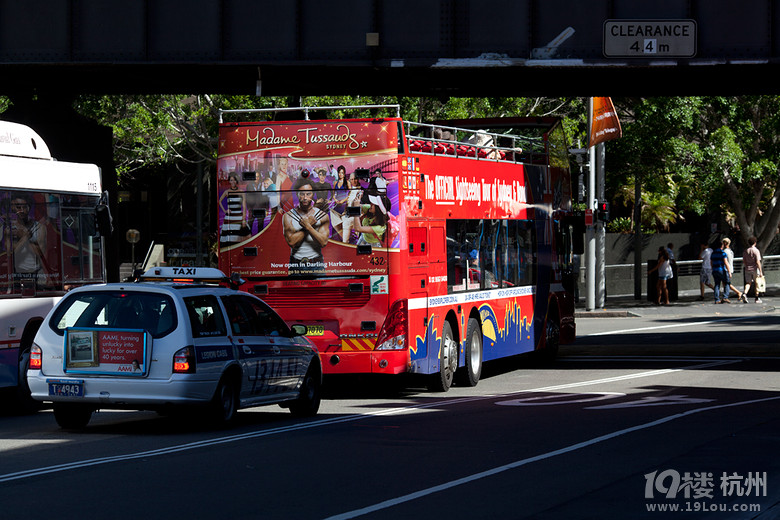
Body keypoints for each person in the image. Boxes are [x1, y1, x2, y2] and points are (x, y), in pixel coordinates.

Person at [283, 180, 330, 275]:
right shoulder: (288, 216)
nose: (305, 198)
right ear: (297, 194)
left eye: (308, 194)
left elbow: (323, 242)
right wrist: (307, 226)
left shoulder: (322, 215)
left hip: (316, 264)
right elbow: (292, 242)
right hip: (296, 264)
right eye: (302, 194)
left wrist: (308, 226)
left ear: (313, 194)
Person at [10, 194, 48, 288]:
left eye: (25, 207)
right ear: (13, 208)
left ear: (29, 207)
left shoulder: (40, 228)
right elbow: (11, 253)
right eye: (18, 207)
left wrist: (25, 237)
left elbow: (40, 253)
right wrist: (25, 237)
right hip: (17, 274)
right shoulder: (10, 229)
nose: (22, 210)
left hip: (36, 274)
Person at [218, 174, 248, 244]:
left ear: (236, 181)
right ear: (229, 181)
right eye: (231, 180)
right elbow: (219, 201)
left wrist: (243, 219)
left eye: (234, 180)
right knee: (229, 240)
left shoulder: (241, 192)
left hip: (238, 216)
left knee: (240, 239)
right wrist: (225, 210)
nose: (233, 182)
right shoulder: (227, 191)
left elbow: (244, 207)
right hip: (230, 217)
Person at [741, 236, 763, 303]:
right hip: (755, 269)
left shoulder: (746, 251)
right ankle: (756, 298)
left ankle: (745, 293)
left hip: (747, 269)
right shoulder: (756, 251)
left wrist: (746, 266)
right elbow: (758, 261)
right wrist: (761, 271)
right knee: (757, 283)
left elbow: (744, 261)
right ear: (755, 243)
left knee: (748, 283)